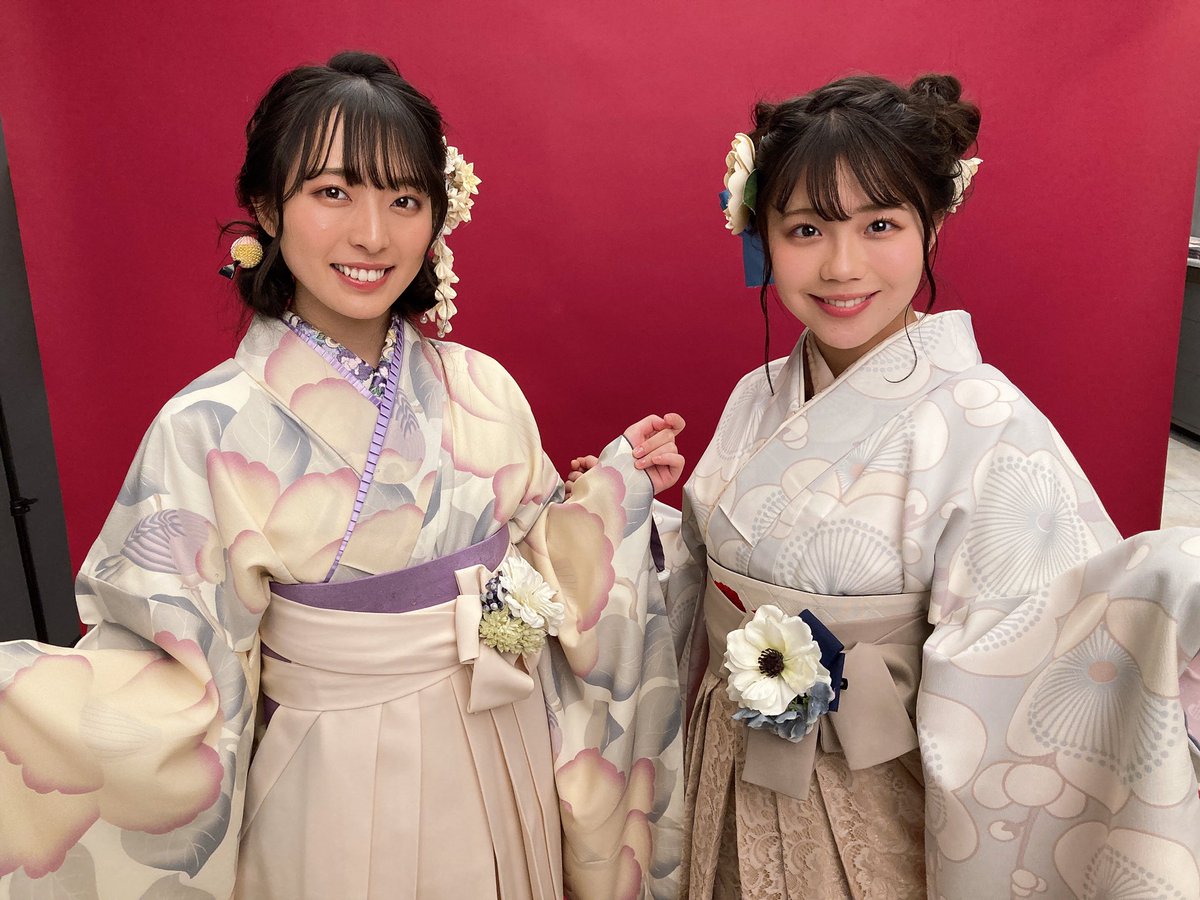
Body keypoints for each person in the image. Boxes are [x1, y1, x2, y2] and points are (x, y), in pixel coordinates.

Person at [0, 52, 686, 899]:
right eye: (333, 193)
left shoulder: (481, 386)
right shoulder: (206, 425)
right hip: (329, 773)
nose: (372, 235)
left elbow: (544, 567)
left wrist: (615, 493)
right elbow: (165, 675)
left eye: (404, 200)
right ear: (266, 207)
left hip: (503, 743)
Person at [591, 73, 1200, 898]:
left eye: (880, 224)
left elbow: (1044, 648)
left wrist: (1165, 594)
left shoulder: (989, 421)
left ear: (932, 226)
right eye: (806, 229)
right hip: (727, 760)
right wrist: (629, 514)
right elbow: (715, 582)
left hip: (870, 798)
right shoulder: (755, 396)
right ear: (762, 236)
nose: (842, 266)